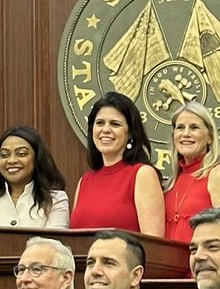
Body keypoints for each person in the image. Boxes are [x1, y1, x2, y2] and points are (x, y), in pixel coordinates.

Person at [70, 92, 165, 236]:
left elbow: (153, 242)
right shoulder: (84, 181)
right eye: (100, 123)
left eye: (115, 124)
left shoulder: (143, 174)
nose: (106, 129)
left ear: (130, 133)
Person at [163, 101, 220, 244]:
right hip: (169, 264)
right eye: (180, 128)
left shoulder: (218, 174)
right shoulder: (170, 184)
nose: (186, 134)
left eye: (194, 127)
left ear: (210, 137)